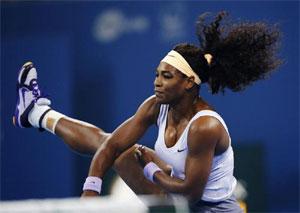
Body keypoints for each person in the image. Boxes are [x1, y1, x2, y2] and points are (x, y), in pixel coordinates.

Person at [13, 11, 281, 212]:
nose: (157, 82)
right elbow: (111, 146)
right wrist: (90, 192)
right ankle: (36, 113)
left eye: (166, 76)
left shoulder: (205, 127)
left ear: (189, 82)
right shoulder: (155, 105)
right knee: (117, 148)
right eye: (157, 74)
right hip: (174, 199)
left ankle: (35, 112)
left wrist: (153, 170)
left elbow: (191, 193)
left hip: (205, 208)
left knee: (133, 156)